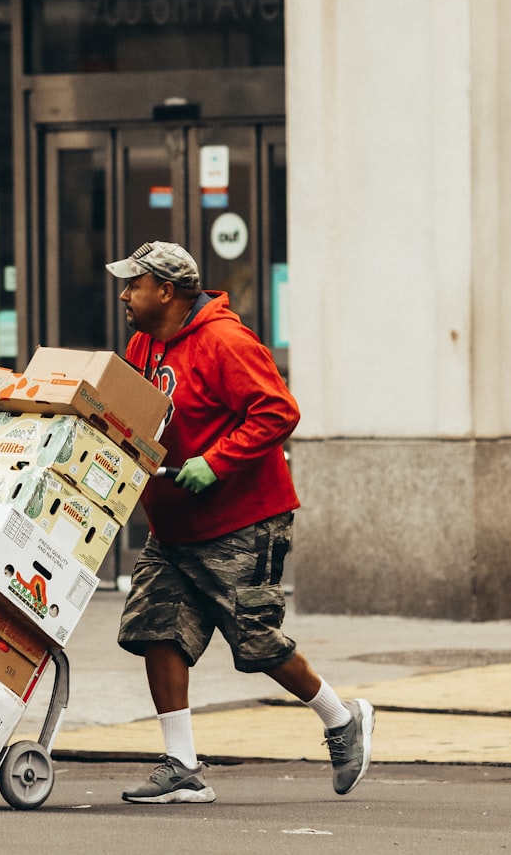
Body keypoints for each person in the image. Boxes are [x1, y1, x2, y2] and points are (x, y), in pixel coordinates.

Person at [105, 240, 373, 804]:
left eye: (134, 284)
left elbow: (279, 409)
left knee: (254, 641)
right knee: (157, 627)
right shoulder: (142, 345)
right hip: (175, 526)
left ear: (167, 290)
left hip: (244, 521)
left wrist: (215, 461)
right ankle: (181, 765)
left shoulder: (225, 341)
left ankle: (340, 717)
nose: (125, 294)